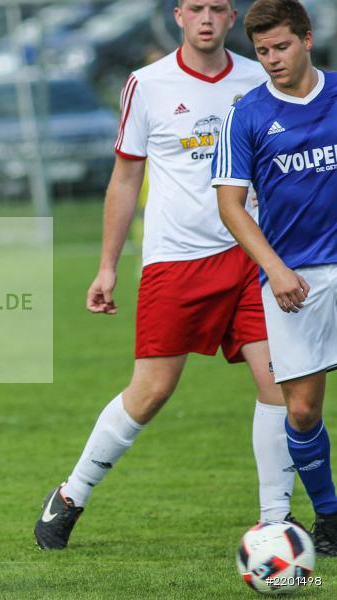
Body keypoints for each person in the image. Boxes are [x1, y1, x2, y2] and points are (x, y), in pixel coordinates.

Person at [35, 0, 294, 551]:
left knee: (279, 384)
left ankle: (276, 523)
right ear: (178, 15)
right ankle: (72, 494)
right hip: (176, 261)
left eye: (218, 8)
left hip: (251, 258)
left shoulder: (256, 78)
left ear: (231, 18)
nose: (206, 17)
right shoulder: (146, 84)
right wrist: (106, 267)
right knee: (151, 391)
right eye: (196, 7)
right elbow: (125, 178)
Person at [213, 0, 337, 555]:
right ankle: (330, 516)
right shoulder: (249, 113)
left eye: (281, 47)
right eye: (262, 51)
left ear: (307, 40)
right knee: (303, 409)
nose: (272, 60)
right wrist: (275, 268)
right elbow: (232, 205)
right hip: (295, 280)